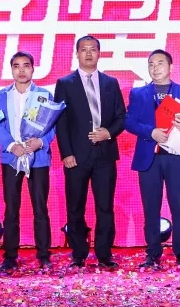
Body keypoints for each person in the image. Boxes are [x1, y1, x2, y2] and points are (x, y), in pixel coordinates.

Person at [54, 35, 126, 269]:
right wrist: (66, 153)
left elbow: (121, 117)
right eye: (83, 49)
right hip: (76, 156)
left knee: (105, 206)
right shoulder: (65, 83)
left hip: (105, 155)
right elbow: (60, 122)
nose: (88, 53)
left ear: (99, 53)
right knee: (75, 207)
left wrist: (109, 133)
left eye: (92, 49)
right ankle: (78, 253)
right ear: (76, 54)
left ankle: (104, 253)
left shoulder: (110, 83)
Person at [126, 50, 180, 269]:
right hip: (149, 157)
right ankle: (153, 253)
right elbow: (128, 122)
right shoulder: (138, 93)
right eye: (151, 64)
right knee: (151, 208)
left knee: (179, 207)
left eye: (160, 63)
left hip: (176, 158)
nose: (155, 67)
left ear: (171, 67)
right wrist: (151, 132)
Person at [0, 52, 56, 272]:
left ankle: (44, 255)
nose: (21, 70)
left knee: (40, 207)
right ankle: (10, 256)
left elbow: (52, 124)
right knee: (11, 208)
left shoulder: (44, 95)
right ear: (11, 69)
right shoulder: (1, 96)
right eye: (16, 66)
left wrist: (41, 141)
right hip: (12, 158)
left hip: (38, 158)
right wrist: (12, 145)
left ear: (33, 69)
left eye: (26, 65)